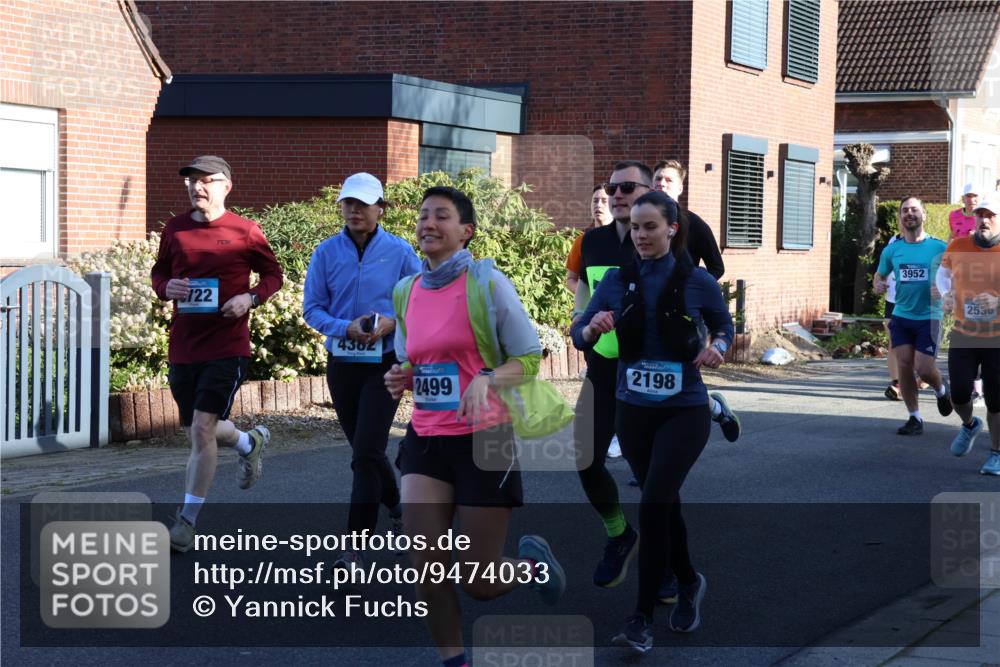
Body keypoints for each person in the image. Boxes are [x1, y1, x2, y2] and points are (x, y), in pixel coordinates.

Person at [384, 186, 565, 667]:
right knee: (427, 568)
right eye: (423, 216)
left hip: (486, 440)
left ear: (466, 232)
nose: (428, 223)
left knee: (480, 582)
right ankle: (455, 661)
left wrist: (488, 378)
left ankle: (530, 566)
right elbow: (409, 361)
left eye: (441, 216)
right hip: (425, 439)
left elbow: (528, 359)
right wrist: (398, 377)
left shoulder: (488, 285)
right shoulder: (406, 292)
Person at [572, 190, 734, 653]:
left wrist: (718, 348)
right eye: (636, 228)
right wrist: (591, 327)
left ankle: (640, 618)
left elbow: (725, 326)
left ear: (672, 229)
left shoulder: (697, 280)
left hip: (684, 411)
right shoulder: (619, 279)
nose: (640, 235)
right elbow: (579, 332)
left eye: (650, 227)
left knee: (654, 501)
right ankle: (687, 581)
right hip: (633, 410)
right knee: (665, 503)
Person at [151, 155, 284, 552]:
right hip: (184, 346)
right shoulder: (175, 229)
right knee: (200, 426)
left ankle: (187, 521)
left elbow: (273, 275)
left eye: (207, 180)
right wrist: (166, 287)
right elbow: (159, 272)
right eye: (192, 181)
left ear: (227, 186)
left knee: (201, 430)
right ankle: (248, 444)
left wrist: (250, 297)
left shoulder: (245, 231)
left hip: (227, 346)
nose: (197, 187)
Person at [303, 172, 421, 569]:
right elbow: (312, 309)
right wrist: (344, 327)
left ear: (380, 209)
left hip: (384, 364)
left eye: (363, 204)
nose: (354, 210)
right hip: (342, 364)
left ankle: (354, 550)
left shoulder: (402, 252)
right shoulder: (325, 253)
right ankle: (400, 508)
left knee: (367, 451)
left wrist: (390, 322)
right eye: (348, 203)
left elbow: (417, 304)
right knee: (364, 452)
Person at [572, 160, 651, 589]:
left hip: (646, 375)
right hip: (602, 370)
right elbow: (584, 290)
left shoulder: (658, 237)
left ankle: (671, 570)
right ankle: (620, 533)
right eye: (611, 188)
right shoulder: (594, 241)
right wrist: (581, 321)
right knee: (585, 459)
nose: (617, 195)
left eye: (626, 187)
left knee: (652, 479)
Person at [652, 159, 739, 442]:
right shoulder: (640, 223)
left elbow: (717, 266)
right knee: (653, 383)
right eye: (657, 179)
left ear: (679, 187)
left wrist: (695, 290)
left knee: (681, 384)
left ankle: (714, 409)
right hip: (649, 313)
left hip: (686, 319)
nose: (661, 184)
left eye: (667, 180)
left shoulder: (694, 224)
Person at [873, 197, 952, 435]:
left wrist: (946, 289)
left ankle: (941, 390)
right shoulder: (892, 250)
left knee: (924, 368)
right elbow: (880, 275)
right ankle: (914, 417)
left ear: (923, 215)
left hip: (930, 316)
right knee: (905, 365)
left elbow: (957, 275)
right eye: (905, 210)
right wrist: (878, 284)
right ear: (900, 217)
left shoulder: (939, 247)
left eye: (914, 210)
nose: (910, 214)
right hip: (901, 315)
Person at [936, 193, 1000, 475]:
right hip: (964, 332)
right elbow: (942, 275)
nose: (984, 220)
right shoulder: (959, 245)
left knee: (997, 398)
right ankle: (970, 424)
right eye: (980, 215)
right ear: (974, 218)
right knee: (959, 393)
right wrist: (947, 296)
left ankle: (997, 453)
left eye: (991, 215)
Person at [949, 184, 984, 404]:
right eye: (968, 197)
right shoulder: (953, 215)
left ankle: (978, 387)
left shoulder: (984, 218)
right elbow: (950, 238)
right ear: (963, 198)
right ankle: (969, 382)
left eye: (975, 197)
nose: (971, 200)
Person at [566, 185, 613, 294]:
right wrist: (588, 294)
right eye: (595, 201)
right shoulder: (581, 241)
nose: (598, 205)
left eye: (604, 201)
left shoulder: (627, 239)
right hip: (589, 308)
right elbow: (571, 279)